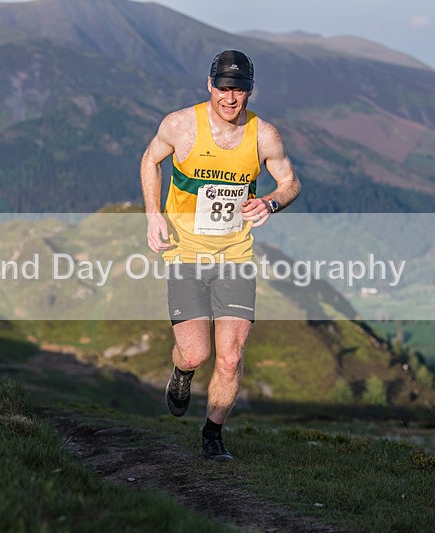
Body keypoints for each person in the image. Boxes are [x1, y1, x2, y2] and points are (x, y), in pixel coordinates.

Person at [140, 50, 301, 461]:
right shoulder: (180, 125)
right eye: (224, 89)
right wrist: (153, 214)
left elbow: (289, 183)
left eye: (240, 90)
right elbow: (150, 159)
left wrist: (271, 204)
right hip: (185, 253)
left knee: (230, 358)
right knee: (197, 352)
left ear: (250, 90)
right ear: (210, 86)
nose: (231, 99)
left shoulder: (265, 135)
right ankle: (182, 371)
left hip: (235, 255)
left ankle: (213, 435)